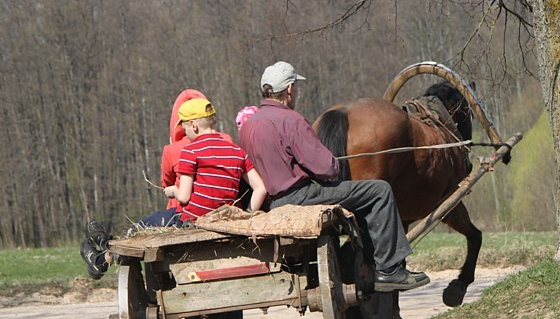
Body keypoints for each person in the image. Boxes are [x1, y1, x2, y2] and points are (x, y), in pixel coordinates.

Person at [239, 61, 429, 292]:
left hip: (273, 202)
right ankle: (389, 270)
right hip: (302, 196)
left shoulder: (249, 126)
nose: (295, 92)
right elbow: (326, 168)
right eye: (295, 88)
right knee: (379, 191)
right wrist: (331, 163)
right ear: (289, 89)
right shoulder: (291, 120)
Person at [81, 98, 267, 279]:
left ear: (194, 125)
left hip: (191, 220)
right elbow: (260, 189)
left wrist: (172, 191)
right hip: (224, 220)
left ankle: (104, 256)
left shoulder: (191, 151)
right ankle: (104, 251)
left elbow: (184, 197)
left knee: (141, 228)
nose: (185, 133)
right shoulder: (236, 151)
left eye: (185, 128)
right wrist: (245, 215)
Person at [161, 89, 234, 209]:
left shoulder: (173, 150)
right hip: (224, 207)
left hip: (184, 210)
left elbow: (167, 183)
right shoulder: (227, 140)